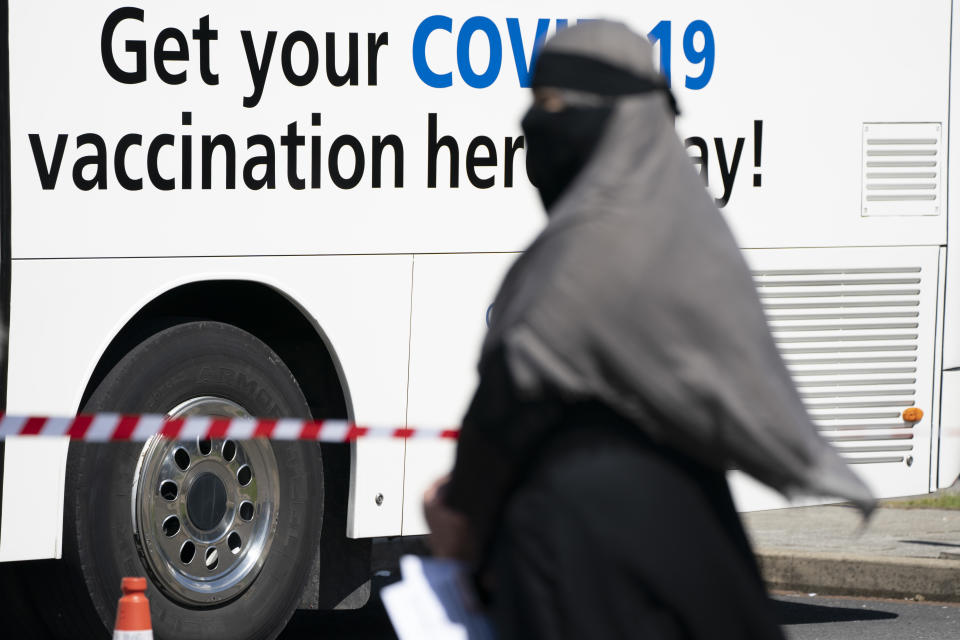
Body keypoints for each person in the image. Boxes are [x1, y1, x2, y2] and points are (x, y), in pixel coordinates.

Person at [424, 20, 874, 640]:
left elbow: (508, 396)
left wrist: (461, 517)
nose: (534, 127)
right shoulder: (693, 232)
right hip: (690, 540)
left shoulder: (588, 249)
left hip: (581, 552)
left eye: (553, 107)